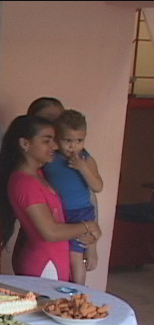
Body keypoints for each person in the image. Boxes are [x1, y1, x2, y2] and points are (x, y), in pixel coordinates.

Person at [0, 115, 102, 282]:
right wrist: (88, 226)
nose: (54, 145)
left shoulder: (40, 173)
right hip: (45, 264)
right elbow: (50, 232)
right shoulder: (25, 183)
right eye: (46, 141)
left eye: (54, 139)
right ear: (25, 144)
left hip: (56, 259)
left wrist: (87, 236)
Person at [42, 110, 103, 285]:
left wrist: (83, 168)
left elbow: (98, 186)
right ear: (57, 138)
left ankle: (78, 291)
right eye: (67, 140)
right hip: (57, 211)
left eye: (79, 141)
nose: (73, 146)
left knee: (76, 255)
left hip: (81, 212)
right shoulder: (50, 157)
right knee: (59, 251)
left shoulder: (85, 158)